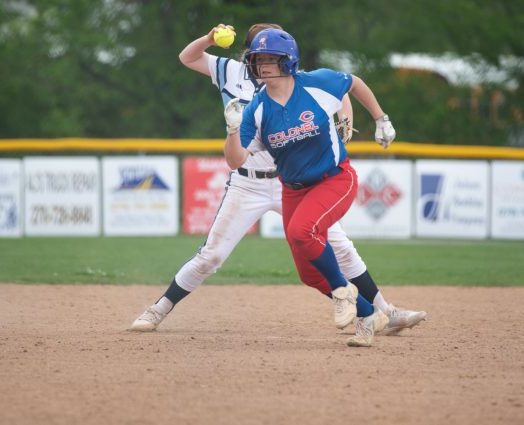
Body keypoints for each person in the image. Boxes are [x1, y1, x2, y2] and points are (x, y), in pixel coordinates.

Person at [130, 23, 426, 341]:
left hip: (294, 181)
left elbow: (340, 89)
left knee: (340, 248)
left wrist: (351, 120)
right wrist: (210, 39)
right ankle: (159, 308)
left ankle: (385, 312)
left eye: (272, 55)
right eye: (261, 54)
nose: (267, 61)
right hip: (248, 182)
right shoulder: (230, 70)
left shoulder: (292, 79)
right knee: (212, 255)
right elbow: (188, 58)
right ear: (251, 54)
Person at [220, 27, 404, 346]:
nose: (261, 65)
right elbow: (235, 161)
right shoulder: (256, 109)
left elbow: (354, 83)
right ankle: (370, 316)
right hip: (294, 188)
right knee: (308, 273)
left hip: (335, 178)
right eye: (256, 59)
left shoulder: (317, 83)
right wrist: (232, 130)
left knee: (301, 232)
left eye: (269, 59)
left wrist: (380, 118)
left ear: (288, 61)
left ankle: (343, 293)